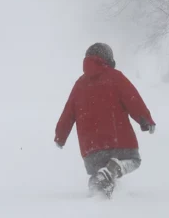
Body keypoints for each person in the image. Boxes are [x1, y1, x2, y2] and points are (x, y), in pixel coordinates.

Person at [54, 43, 156, 197]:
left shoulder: (80, 84)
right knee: (134, 161)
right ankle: (115, 168)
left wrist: (60, 137)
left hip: (91, 149)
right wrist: (146, 119)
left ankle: (99, 193)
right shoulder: (115, 77)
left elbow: (67, 113)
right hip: (118, 141)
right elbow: (133, 100)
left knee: (100, 173)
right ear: (108, 59)